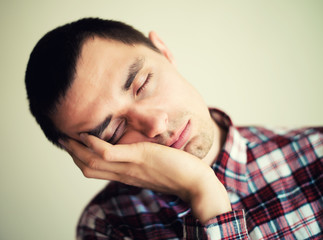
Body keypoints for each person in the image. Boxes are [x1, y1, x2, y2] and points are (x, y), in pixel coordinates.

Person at [25, 17, 322, 239]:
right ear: (88, 154)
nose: (154, 124)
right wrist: (202, 191)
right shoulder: (106, 226)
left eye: (142, 84)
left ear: (164, 51)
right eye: (114, 131)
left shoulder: (316, 151)